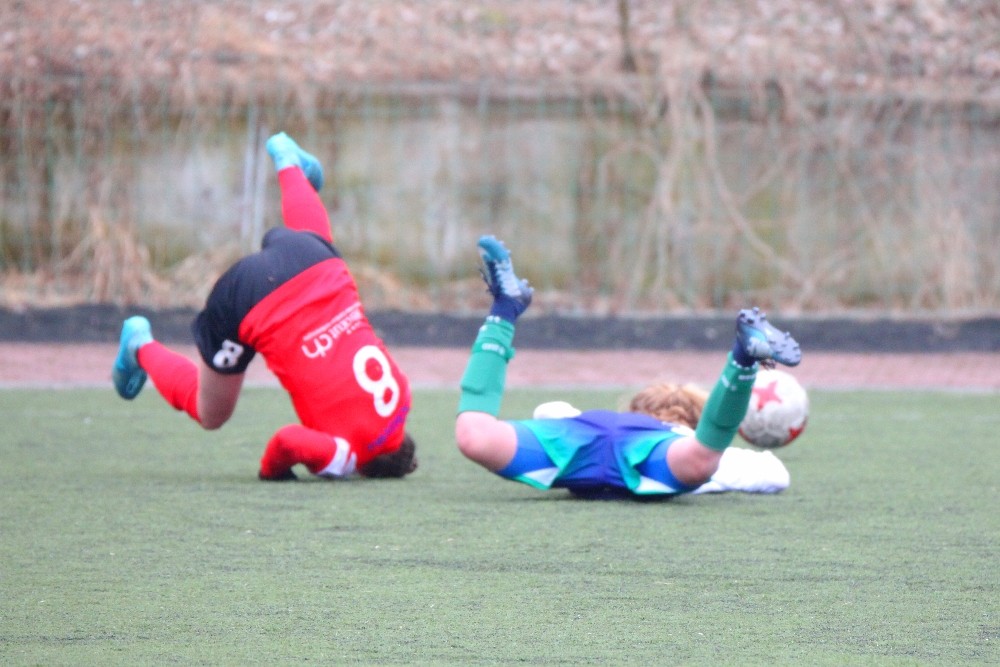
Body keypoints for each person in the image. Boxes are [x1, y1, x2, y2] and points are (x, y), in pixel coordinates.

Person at [112, 132, 417, 481]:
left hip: (310, 260)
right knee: (210, 412)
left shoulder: (402, 395)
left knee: (316, 245)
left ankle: (288, 163)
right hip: (245, 296)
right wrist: (273, 472)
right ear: (366, 470)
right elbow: (286, 441)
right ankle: (140, 345)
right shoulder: (347, 454)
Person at [454, 235, 801, 499]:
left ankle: (504, 309)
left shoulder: (584, 415)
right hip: (646, 452)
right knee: (702, 461)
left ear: (637, 407)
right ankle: (742, 360)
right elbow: (775, 474)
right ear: (696, 421)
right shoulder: (687, 440)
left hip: (577, 437)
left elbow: (548, 409)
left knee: (474, 437)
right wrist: (717, 457)